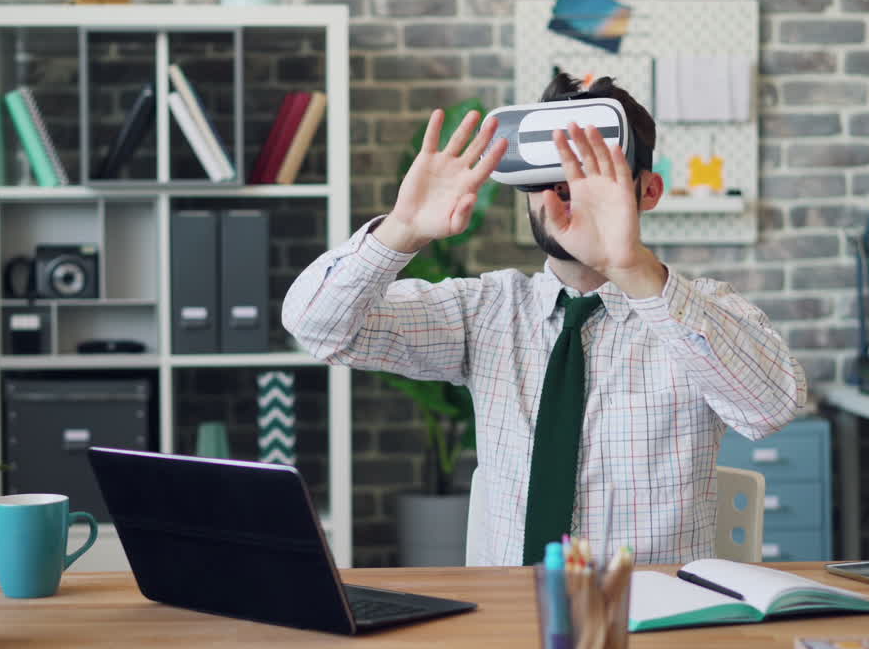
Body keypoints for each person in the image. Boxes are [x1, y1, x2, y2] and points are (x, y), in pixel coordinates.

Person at [282, 73, 807, 566]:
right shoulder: (485, 311)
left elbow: (771, 407)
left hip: (653, 610)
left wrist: (630, 267)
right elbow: (317, 327)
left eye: (590, 174)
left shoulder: (699, 311)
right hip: (508, 613)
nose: (562, 191)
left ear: (647, 191)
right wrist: (402, 229)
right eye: (549, 174)